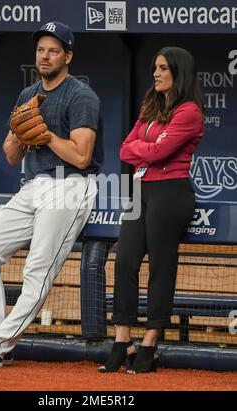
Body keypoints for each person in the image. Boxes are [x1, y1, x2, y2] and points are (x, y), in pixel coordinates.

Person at [0, 21, 103, 369]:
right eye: (41, 50)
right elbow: (10, 154)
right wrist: (22, 135)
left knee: (37, 270)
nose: (45, 56)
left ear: (67, 56)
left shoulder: (81, 95)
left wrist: (47, 134)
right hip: (35, 184)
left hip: (71, 185)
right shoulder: (28, 95)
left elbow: (82, 156)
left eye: (54, 50)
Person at [99, 46, 204, 373]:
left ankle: (149, 344)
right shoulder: (151, 105)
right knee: (125, 260)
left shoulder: (189, 111)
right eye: (155, 68)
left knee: (161, 266)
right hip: (140, 190)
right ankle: (122, 341)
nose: (156, 73)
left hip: (171, 193)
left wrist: (145, 150)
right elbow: (125, 148)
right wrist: (147, 150)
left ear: (178, 72)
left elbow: (158, 154)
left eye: (163, 68)